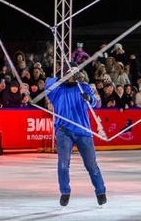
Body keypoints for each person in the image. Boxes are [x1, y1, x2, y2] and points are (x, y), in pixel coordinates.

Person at [44, 62, 107, 207]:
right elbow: (48, 83)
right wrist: (64, 75)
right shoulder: (57, 89)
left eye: (75, 73)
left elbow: (94, 103)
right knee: (63, 164)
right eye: (71, 73)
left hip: (82, 131)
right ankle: (65, 192)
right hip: (63, 131)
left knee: (91, 164)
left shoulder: (83, 87)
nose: (73, 76)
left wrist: (89, 99)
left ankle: (100, 191)